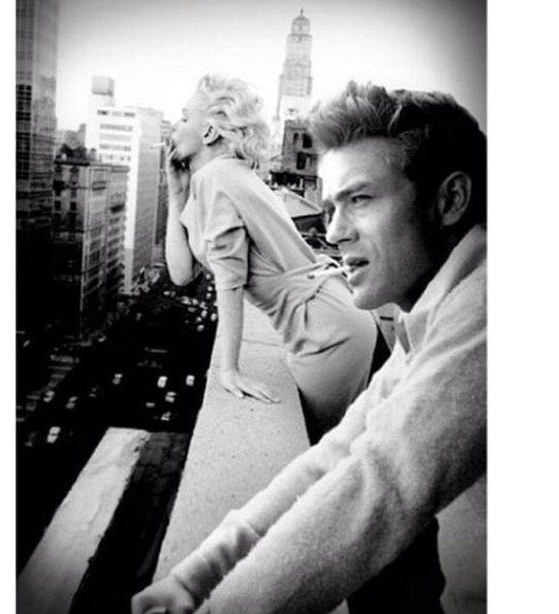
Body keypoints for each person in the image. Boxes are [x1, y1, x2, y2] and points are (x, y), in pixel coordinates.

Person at [132, 82, 486, 614]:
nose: (334, 233)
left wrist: (228, 366)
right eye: (330, 207)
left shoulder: (486, 311)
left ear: (450, 200)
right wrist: (193, 578)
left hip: (324, 330)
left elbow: (378, 487)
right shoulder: (434, 317)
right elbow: (340, 455)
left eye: (360, 199)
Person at [162, 74, 381, 443]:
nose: (175, 127)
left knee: (323, 455)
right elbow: (182, 273)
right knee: (326, 451)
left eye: (184, 118)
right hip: (326, 320)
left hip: (324, 331)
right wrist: (175, 194)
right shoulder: (222, 177)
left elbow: (229, 282)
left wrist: (228, 369)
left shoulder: (217, 178)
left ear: (210, 131)